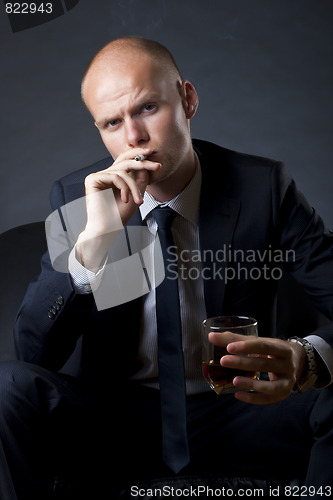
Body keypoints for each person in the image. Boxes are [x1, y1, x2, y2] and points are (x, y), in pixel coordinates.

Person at [0, 36, 333, 499]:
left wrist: (305, 358)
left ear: (187, 99)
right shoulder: (80, 197)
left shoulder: (264, 188)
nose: (133, 137)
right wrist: (93, 246)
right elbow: (33, 355)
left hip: (237, 408)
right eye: (112, 122)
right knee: (6, 388)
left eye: (148, 109)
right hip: (117, 420)